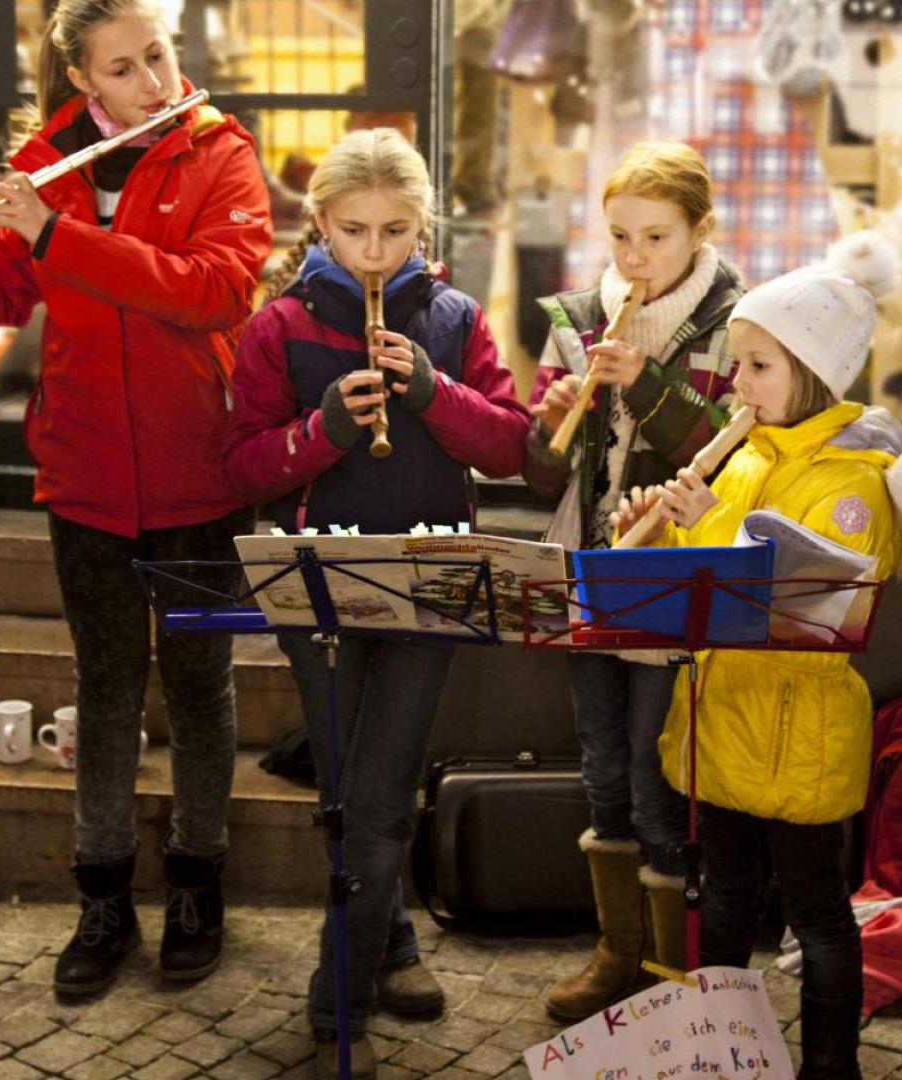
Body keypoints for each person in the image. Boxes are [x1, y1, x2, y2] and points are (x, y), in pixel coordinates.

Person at [0, 0, 272, 997]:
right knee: (104, 689)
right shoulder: (45, 162)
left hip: (199, 474)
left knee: (200, 686)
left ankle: (197, 885)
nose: (153, 83)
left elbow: (211, 292)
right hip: (86, 478)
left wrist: (58, 235)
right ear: (82, 80)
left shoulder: (219, 154)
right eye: (123, 68)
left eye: (158, 56)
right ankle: (102, 900)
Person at [613, 232, 902, 1080]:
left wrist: (704, 526)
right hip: (726, 719)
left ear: (812, 372)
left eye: (757, 367)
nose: (737, 384)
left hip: (796, 734)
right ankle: (719, 1058)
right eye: (738, 364)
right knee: (725, 899)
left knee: (818, 917)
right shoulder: (748, 455)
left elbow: (793, 598)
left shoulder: (854, 481)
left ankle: (830, 1069)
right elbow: (701, 584)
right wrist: (654, 533)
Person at [223, 127, 528, 1080]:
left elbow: (511, 447)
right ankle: (391, 942)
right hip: (318, 582)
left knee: (382, 787)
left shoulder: (454, 316)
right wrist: (322, 431)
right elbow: (242, 468)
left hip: (433, 581)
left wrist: (433, 392)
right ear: (320, 224)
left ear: (420, 226)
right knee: (346, 787)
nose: (374, 253)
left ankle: (339, 992)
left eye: (395, 233)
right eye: (354, 232)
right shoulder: (279, 326)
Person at [522, 141, 744, 1021]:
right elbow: (540, 473)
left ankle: (669, 970)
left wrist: (647, 384)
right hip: (589, 562)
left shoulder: (735, 320)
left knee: (659, 774)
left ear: (699, 231)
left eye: (656, 237)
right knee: (603, 764)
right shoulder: (579, 316)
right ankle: (618, 952)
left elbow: (731, 451)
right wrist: (549, 423)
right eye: (620, 236)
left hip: (673, 572)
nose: (635, 258)